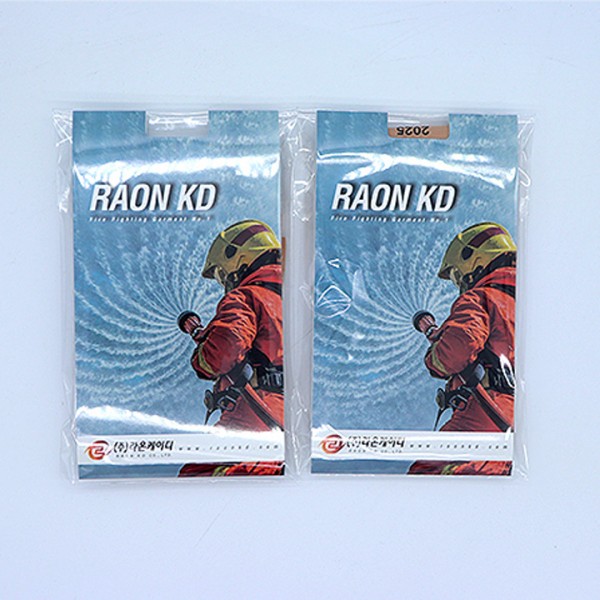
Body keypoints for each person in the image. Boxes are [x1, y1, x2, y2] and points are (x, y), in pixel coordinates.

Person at [178, 219, 284, 477]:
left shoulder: (245, 296)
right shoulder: (294, 299)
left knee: (197, 477)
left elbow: (222, 354)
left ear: (239, 259)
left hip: (250, 412)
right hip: (286, 414)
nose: (223, 280)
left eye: (221, 273)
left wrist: (201, 356)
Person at [409, 222, 516, 476]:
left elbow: (456, 351)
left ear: (474, 260)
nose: (459, 283)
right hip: (525, 416)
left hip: (484, 409)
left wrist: (433, 357)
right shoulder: (533, 302)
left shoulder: (481, 297)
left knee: (427, 475)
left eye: (457, 275)